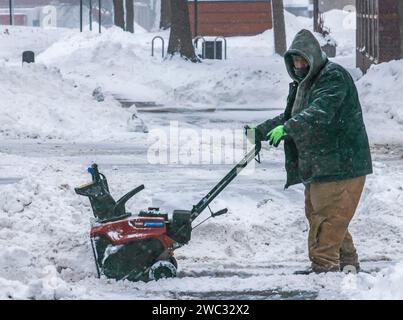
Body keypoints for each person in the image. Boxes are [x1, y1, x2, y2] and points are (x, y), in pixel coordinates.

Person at [245, 29, 372, 274]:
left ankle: (324, 271)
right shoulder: (305, 83)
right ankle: (347, 263)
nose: (299, 65)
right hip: (322, 164)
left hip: (342, 164)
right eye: (295, 61)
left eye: (303, 60)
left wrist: (288, 128)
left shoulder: (333, 77)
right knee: (323, 216)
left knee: (327, 219)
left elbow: (320, 112)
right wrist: (260, 131)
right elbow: (290, 116)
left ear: (314, 57)